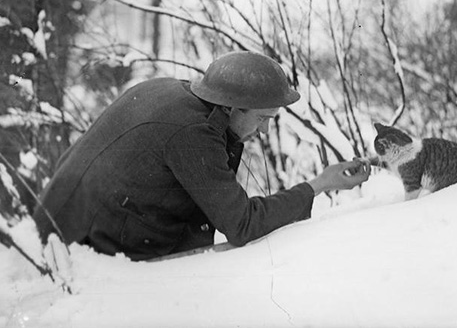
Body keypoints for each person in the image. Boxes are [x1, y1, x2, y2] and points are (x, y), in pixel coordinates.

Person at [33, 51, 371, 261]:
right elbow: (242, 224)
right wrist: (320, 184)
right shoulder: (192, 132)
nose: (265, 131)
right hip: (85, 249)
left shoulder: (177, 92)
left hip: (60, 218)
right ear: (231, 106)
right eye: (262, 119)